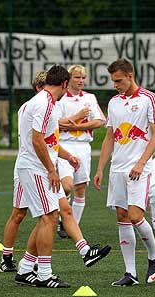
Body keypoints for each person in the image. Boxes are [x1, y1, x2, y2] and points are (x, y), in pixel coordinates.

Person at [0, 71, 110, 275]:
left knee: (58, 212)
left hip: (42, 166)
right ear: (64, 84)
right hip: (35, 168)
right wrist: (52, 170)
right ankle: (37, 270)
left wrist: (66, 157)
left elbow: (50, 139)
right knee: (39, 216)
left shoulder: (48, 104)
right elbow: (38, 140)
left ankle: (81, 252)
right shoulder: (42, 104)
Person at [93, 58, 155, 287]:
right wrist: (101, 168)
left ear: (130, 76)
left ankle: (154, 256)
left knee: (135, 216)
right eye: (113, 81)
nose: (116, 85)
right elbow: (110, 137)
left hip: (138, 168)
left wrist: (142, 162)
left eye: (119, 80)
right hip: (118, 169)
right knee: (122, 218)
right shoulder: (114, 102)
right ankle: (130, 273)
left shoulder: (149, 99)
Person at [56, 65, 106, 238]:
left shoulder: (90, 98)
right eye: (77, 77)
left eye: (83, 78)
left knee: (81, 188)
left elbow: (99, 121)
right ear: (69, 79)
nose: (81, 81)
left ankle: (72, 226)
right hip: (64, 144)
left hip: (83, 147)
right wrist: (78, 116)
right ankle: (64, 212)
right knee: (67, 186)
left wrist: (77, 126)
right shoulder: (60, 99)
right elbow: (56, 123)